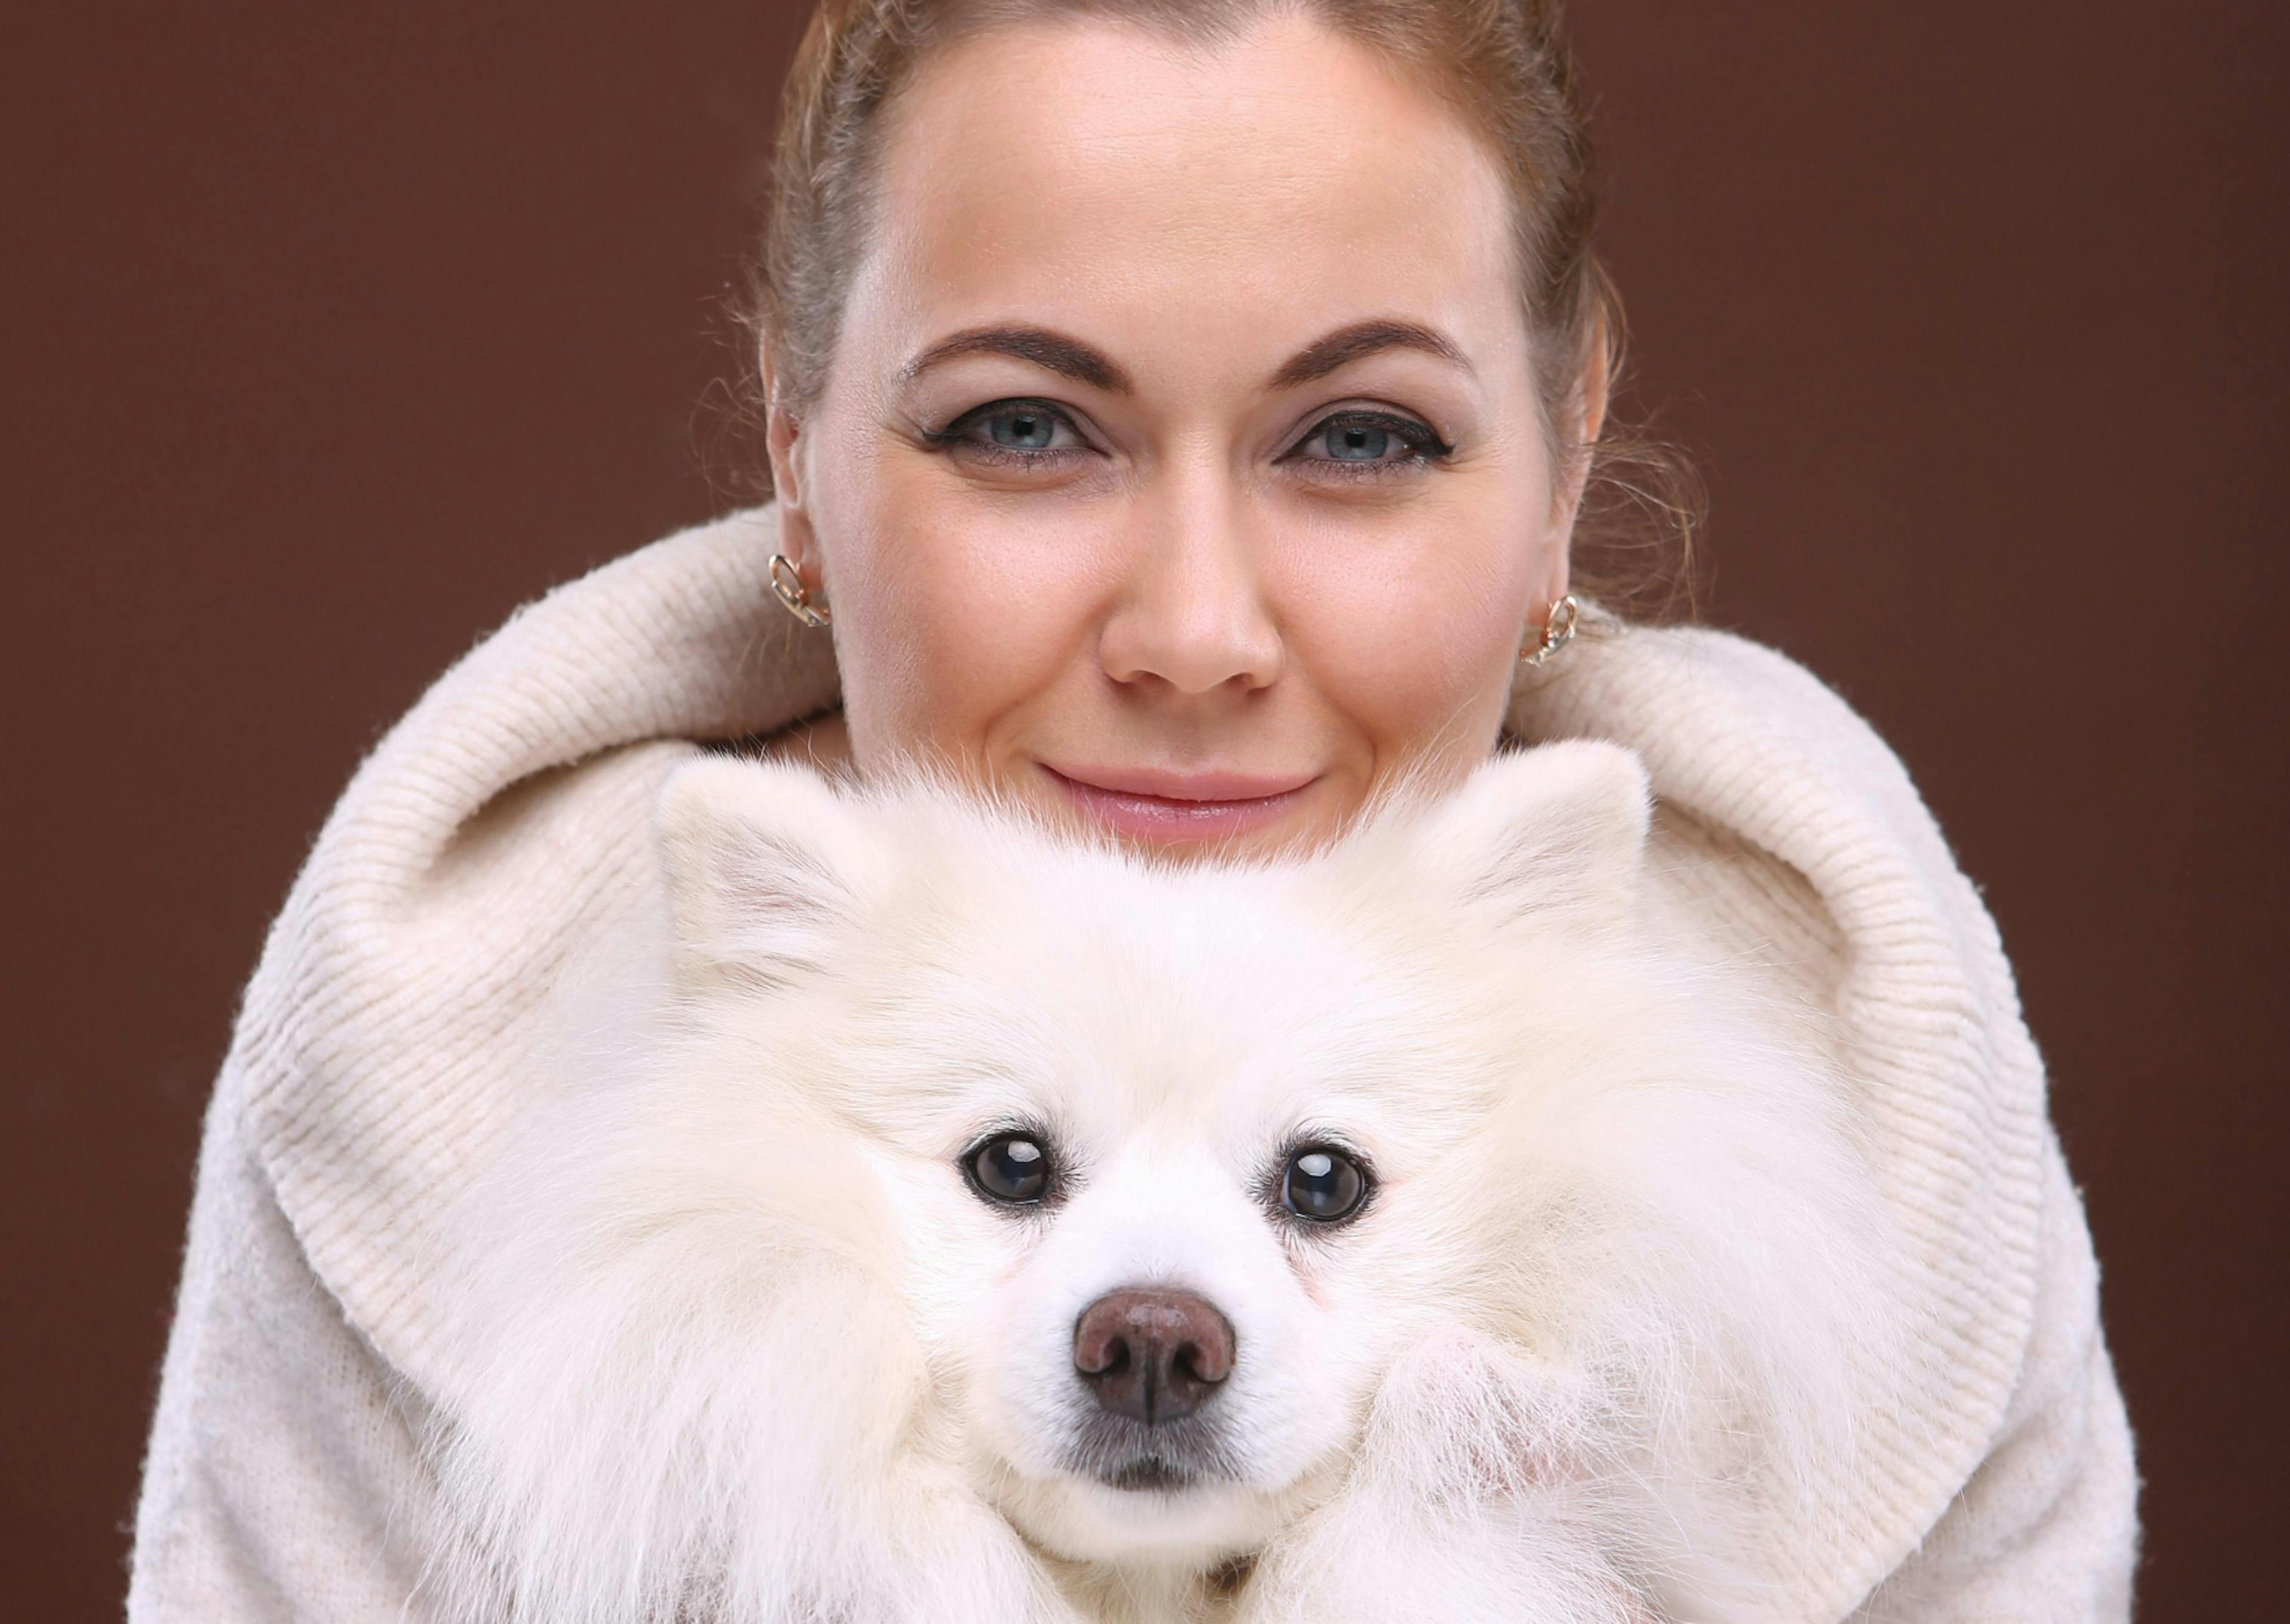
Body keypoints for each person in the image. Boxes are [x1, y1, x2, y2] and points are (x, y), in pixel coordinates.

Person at [126, 2, 2138, 1618]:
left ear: (1564, 447)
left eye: (1360, 436)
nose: (1193, 632)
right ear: (794, 439)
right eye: (1026, 426)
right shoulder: (446, 1048)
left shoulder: (1863, 1046)